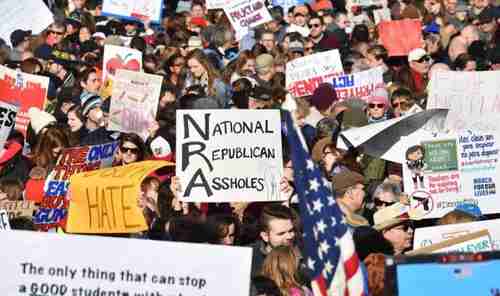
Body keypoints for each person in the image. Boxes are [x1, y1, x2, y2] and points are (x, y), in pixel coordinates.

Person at [250, 204, 296, 276]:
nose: (289, 237)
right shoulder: (249, 258)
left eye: (291, 231)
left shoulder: (305, 254)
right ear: (265, 236)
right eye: (281, 233)